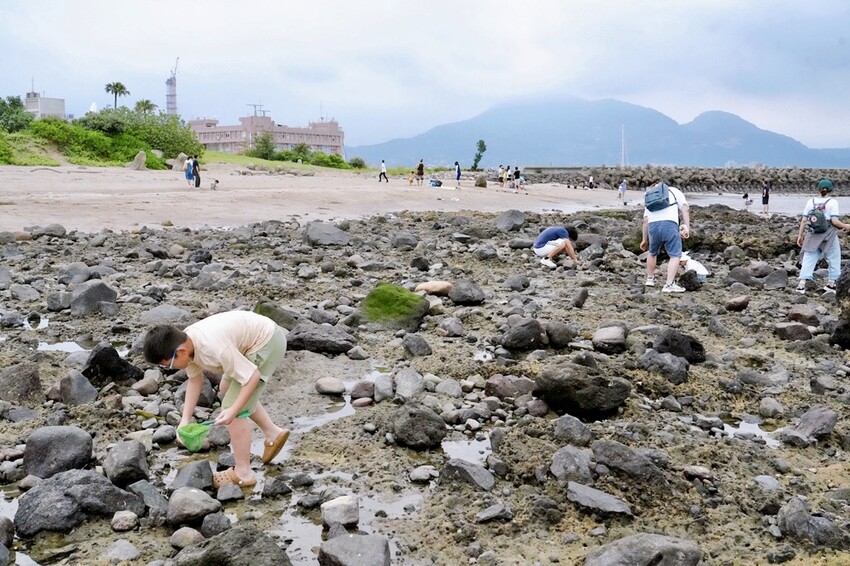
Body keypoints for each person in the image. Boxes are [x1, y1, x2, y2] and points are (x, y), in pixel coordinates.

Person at [143, 310, 290, 488]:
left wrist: (234, 411)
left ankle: (244, 472)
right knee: (226, 388)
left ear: (180, 352)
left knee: (232, 408)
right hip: (249, 341)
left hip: (266, 342)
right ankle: (273, 432)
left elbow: (252, 376)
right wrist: (185, 420)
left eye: (167, 365)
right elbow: (195, 380)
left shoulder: (212, 349)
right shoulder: (189, 344)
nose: (169, 369)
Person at [795, 178, 850, 294]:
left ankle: (801, 285)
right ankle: (831, 283)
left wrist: (800, 235)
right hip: (828, 234)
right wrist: (846, 226)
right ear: (831, 189)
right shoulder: (833, 202)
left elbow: (804, 220)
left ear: (818, 189)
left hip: (812, 233)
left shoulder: (811, 202)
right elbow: (834, 221)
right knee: (834, 257)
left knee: (809, 257)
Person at [640, 181, 690, 293]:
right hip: (669, 224)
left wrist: (644, 239)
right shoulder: (674, 191)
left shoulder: (650, 196)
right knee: (675, 254)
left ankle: (649, 279)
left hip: (653, 226)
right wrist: (686, 227)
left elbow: (645, 220)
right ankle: (669, 284)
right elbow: (685, 209)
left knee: (652, 253)